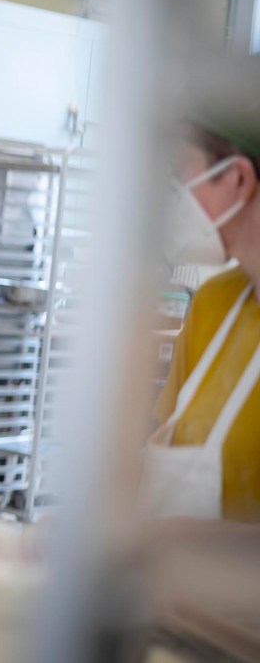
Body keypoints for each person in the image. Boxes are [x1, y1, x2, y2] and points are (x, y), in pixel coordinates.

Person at [146, 59, 260, 523]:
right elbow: (164, 456)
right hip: (177, 591)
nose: (176, 194)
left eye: (182, 173)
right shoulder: (214, 304)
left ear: (237, 179)